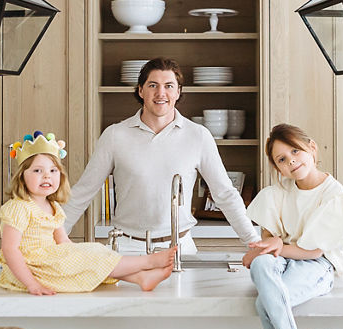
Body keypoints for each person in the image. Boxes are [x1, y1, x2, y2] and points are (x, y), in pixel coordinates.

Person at [64, 57, 260, 255]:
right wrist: (51, 239)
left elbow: (225, 194)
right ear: (140, 90)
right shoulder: (115, 135)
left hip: (179, 247)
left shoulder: (198, 135)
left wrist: (254, 243)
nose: (161, 93)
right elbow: (83, 192)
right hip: (126, 248)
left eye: (168, 86)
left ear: (178, 91)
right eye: (153, 85)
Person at [243, 124, 343, 329]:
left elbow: (314, 249)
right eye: (282, 159)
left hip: (318, 264)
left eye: (295, 151)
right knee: (260, 268)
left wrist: (276, 247)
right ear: (277, 168)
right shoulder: (278, 192)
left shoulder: (334, 196)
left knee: (263, 305)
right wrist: (261, 252)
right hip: (286, 260)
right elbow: (270, 240)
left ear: (312, 148)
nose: (291, 161)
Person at [0, 130, 177, 295]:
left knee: (95, 252)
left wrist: (80, 255)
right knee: (89, 256)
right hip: (31, 268)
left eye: (53, 171)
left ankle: (140, 278)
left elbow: (63, 241)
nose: (47, 176)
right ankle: (148, 262)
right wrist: (32, 284)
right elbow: (10, 249)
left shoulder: (53, 207)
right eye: (37, 171)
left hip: (50, 262)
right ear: (21, 176)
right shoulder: (19, 208)